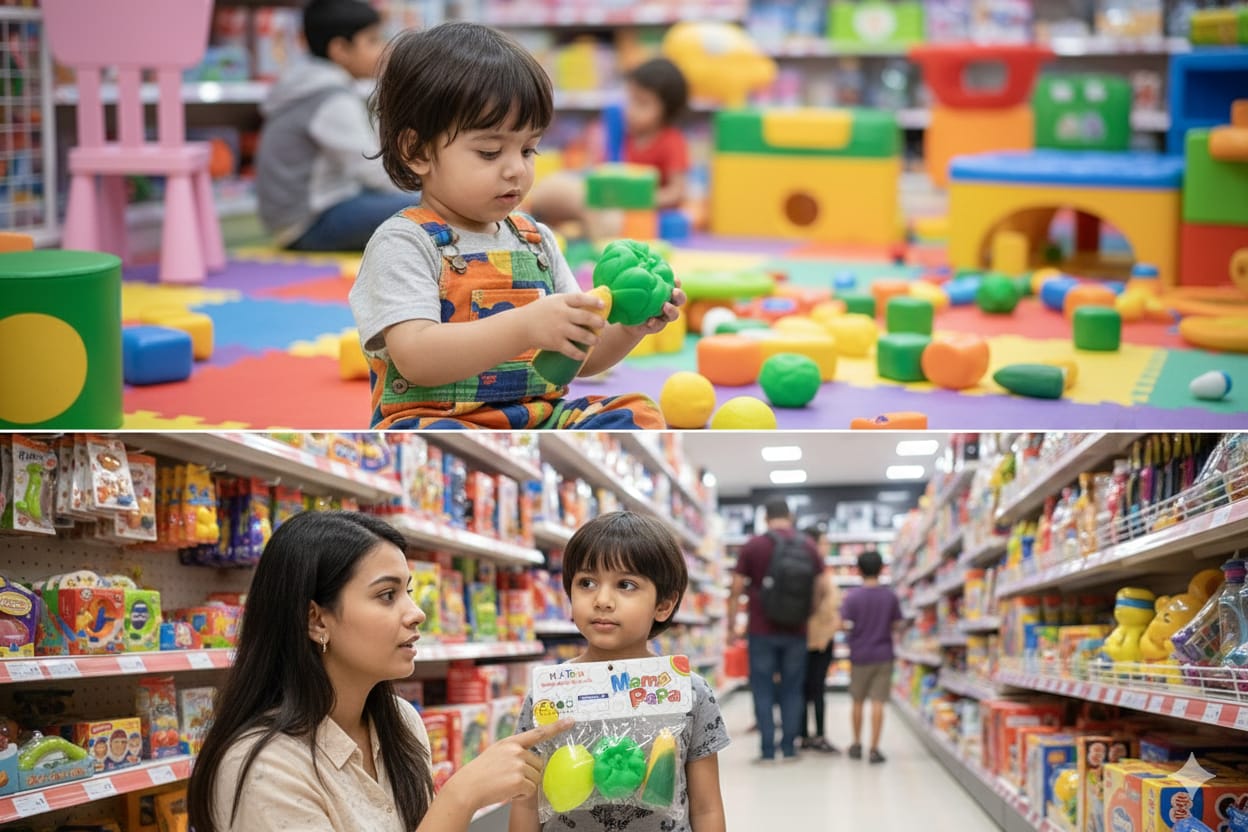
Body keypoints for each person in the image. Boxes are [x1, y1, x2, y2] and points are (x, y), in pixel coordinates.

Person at [349, 22, 682, 430]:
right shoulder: (404, 243)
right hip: (437, 421)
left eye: (528, 149)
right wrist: (525, 326)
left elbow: (579, 358)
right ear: (416, 151)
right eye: (490, 152)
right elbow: (417, 357)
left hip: (538, 420)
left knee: (637, 413)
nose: (516, 170)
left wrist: (630, 328)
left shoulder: (536, 240)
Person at [187, 511, 573, 832]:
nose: (416, 613)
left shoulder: (401, 723)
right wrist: (461, 795)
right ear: (316, 620)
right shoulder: (265, 767)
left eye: (409, 591)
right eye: (387, 595)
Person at [509, 512, 728, 832]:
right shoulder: (550, 695)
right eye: (587, 583)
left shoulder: (688, 692)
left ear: (664, 605)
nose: (602, 600)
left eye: (626, 585)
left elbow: (706, 807)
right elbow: (527, 801)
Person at [255, 0, 417, 252]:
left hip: (304, 216)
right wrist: (426, 191)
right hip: (310, 223)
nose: (383, 49)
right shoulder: (330, 99)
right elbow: (370, 169)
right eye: (373, 40)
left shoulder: (308, 86)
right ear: (340, 49)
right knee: (433, 207)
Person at [527, 58, 690, 235]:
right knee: (553, 186)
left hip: (636, 214)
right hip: (604, 204)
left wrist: (638, 199)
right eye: (630, 100)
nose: (631, 110)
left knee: (605, 216)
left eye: (642, 103)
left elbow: (677, 192)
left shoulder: (671, 141)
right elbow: (600, 173)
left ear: (666, 111)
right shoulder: (620, 132)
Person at [726, 499, 826, 763]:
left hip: (761, 629)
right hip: (796, 631)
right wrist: (808, 613)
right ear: (790, 516)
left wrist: (732, 625)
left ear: (765, 518)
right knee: (793, 688)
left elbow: (736, 589)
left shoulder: (753, 545)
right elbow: (820, 586)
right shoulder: (808, 545)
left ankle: (767, 750)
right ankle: (789, 748)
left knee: (763, 688)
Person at [839, 549, 904, 764]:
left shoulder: (852, 597)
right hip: (883, 654)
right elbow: (897, 624)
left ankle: (856, 744)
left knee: (857, 701)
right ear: (882, 569)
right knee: (878, 702)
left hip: (859, 654)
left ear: (858, 570)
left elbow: (844, 624)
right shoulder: (889, 596)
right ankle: (874, 749)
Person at [799, 527, 841, 754]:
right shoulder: (820, 573)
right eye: (824, 542)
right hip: (820, 639)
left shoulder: (800, 569)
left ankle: (804, 735)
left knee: (803, 689)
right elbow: (829, 606)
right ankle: (819, 735)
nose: (827, 547)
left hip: (800, 638)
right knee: (817, 690)